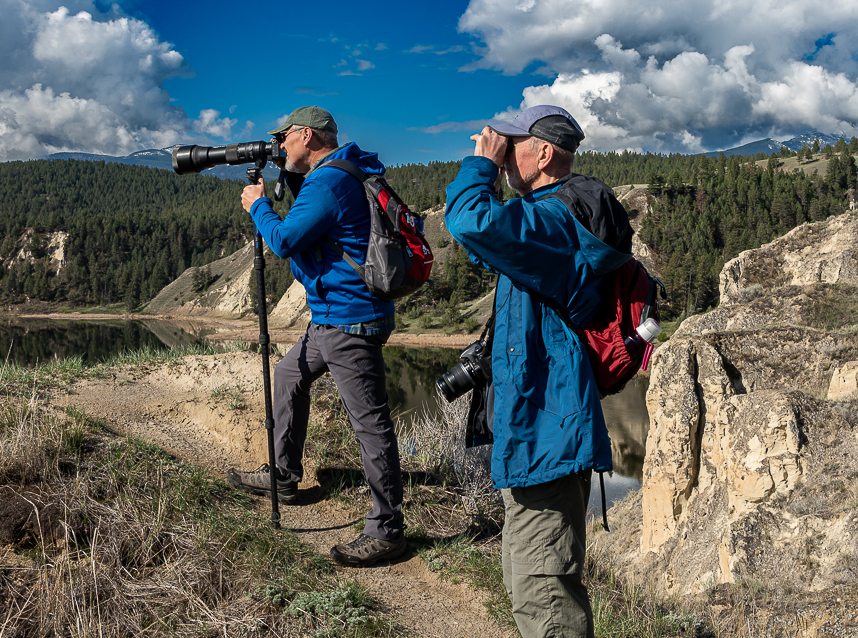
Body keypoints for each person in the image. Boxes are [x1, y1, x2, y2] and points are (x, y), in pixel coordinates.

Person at [444, 105, 633, 638]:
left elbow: (471, 221)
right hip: (536, 431)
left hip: (548, 433)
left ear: (544, 153)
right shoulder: (546, 220)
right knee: (527, 582)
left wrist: (481, 166)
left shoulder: (556, 222)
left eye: (512, 146)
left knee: (545, 596)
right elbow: (485, 245)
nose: (503, 155)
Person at [226, 106, 406, 567]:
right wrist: (287, 173)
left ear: (306, 135)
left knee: (370, 423)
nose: (279, 144)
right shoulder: (341, 172)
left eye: (284, 137)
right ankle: (283, 475)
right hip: (332, 317)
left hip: (349, 320)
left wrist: (258, 205)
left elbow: (285, 240)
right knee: (289, 376)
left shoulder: (328, 183)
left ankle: (387, 529)